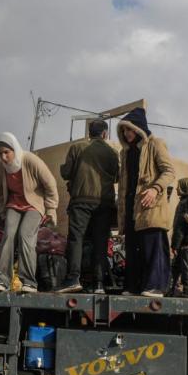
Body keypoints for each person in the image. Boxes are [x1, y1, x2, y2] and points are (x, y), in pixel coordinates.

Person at [116, 108, 177, 297]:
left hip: (151, 204)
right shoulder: (125, 153)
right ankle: (133, 286)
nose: (127, 134)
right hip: (131, 207)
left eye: (130, 129)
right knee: (133, 249)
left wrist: (155, 188)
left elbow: (169, 172)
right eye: (124, 130)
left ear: (139, 128)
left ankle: (156, 286)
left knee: (153, 246)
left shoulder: (156, 144)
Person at [0, 132, 58, 294]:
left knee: (25, 235)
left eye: (7, 152)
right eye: (0, 154)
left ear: (14, 148)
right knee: (8, 234)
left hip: (34, 204)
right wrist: (2, 212)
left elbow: (50, 184)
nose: (4, 157)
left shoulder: (30, 160)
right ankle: (2, 279)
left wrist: (51, 208)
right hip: (14, 204)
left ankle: (29, 282)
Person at [57, 119, 119, 294]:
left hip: (81, 200)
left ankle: (73, 278)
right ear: (105, 134)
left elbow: (66, 172)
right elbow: (117, 176)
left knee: (76, 239)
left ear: (89, 133)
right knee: (101, 241)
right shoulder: (113, 152)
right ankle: (99, 283)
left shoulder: (77, 147)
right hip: (104, 202)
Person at [170, 179, 188, 295]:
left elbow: (179, 228)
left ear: (184, 188)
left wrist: (175, 245)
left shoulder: (183, 204)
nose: (176, 189)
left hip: (185, 244)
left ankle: (181, 290)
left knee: (181, 268)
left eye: (178, 186)